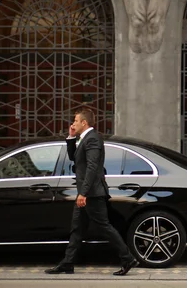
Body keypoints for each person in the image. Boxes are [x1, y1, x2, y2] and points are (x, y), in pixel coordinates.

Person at [45, 108, 139, 276]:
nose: (73, 123)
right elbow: (75, 158)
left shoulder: (93, 139)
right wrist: (71, 138)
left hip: (92, 194)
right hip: (87, 192)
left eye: (75, 120)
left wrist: (84, 193)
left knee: (104, 227)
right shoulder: (84, 138)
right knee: (77, 229)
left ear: (84, 122)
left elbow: (92, 167)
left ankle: (127, 258)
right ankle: (68, 263)